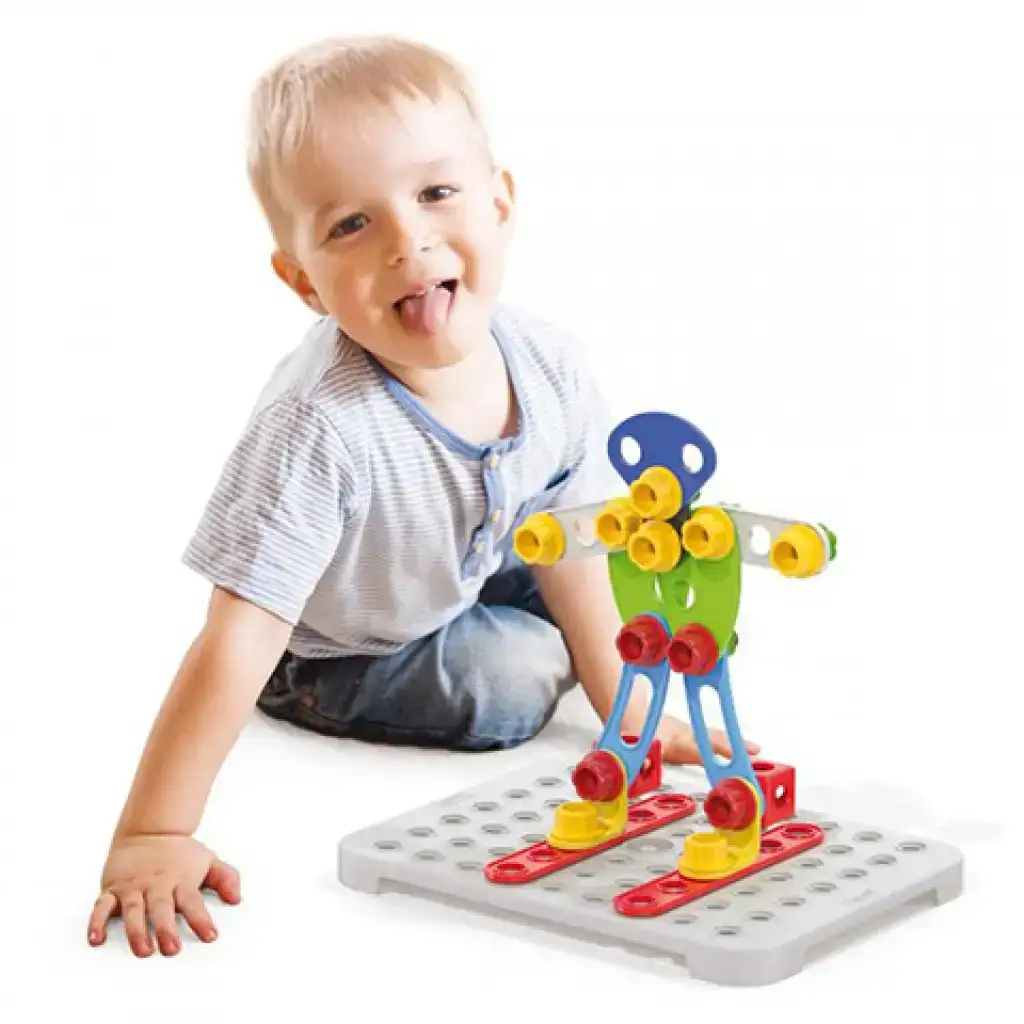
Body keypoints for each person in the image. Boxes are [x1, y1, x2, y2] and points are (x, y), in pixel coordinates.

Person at [87, 34, 758, 958]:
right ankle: (369, 677)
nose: (409, 241)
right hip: (347, 646)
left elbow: (571, 542)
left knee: (613, 561)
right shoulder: (318, 429)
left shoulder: (550, 364)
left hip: (463, 552)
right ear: (303, 281)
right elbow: (236, 635)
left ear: (501, 203)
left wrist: (625, 707)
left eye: (437, 192)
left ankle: (558, 634)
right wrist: (154, 830)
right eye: (350, 225)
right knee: (516, 675)